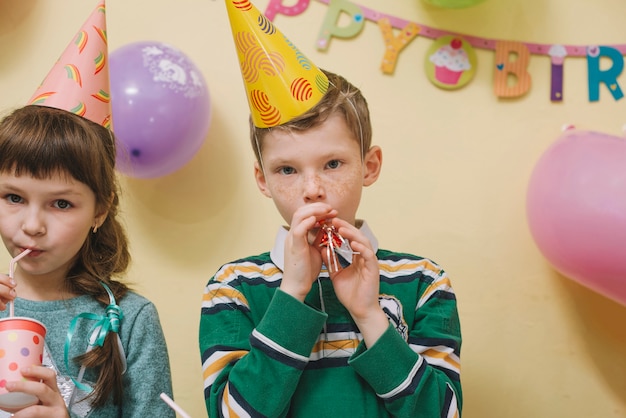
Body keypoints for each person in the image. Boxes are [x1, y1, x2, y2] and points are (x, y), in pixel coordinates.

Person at [199, 2, 462, 416]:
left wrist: (369, 314)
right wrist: (292, 296)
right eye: (287, 169)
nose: (312, 190)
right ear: (262, 180)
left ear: (369, 166)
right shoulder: (233, 288)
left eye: (333, 164)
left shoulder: (424, 282)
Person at [0, 104, 175, 418]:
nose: (32, 225)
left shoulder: (130, 320)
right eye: (14, 198)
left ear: (100, 210)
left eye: (61, 203)